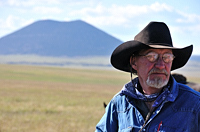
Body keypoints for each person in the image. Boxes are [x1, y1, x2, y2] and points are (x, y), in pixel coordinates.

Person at [95, 21, 200, 132]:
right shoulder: (119, 105)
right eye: (151, 56)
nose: (160, 65)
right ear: (134, 62)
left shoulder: (195, 105)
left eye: (167, 57)